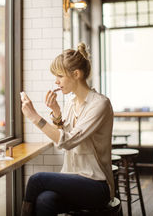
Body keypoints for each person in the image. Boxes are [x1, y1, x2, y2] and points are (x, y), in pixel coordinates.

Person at [20, 42, 115, 216]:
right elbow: (64, 136)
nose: (56, 81)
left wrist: (35, 117)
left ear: (76, 74)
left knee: (36, 180)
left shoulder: (100, 104)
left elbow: (68, 142)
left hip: (97, 184)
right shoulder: (71, 103)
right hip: (73, 178)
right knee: (44, 200)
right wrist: (56, 113)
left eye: (59, 76)